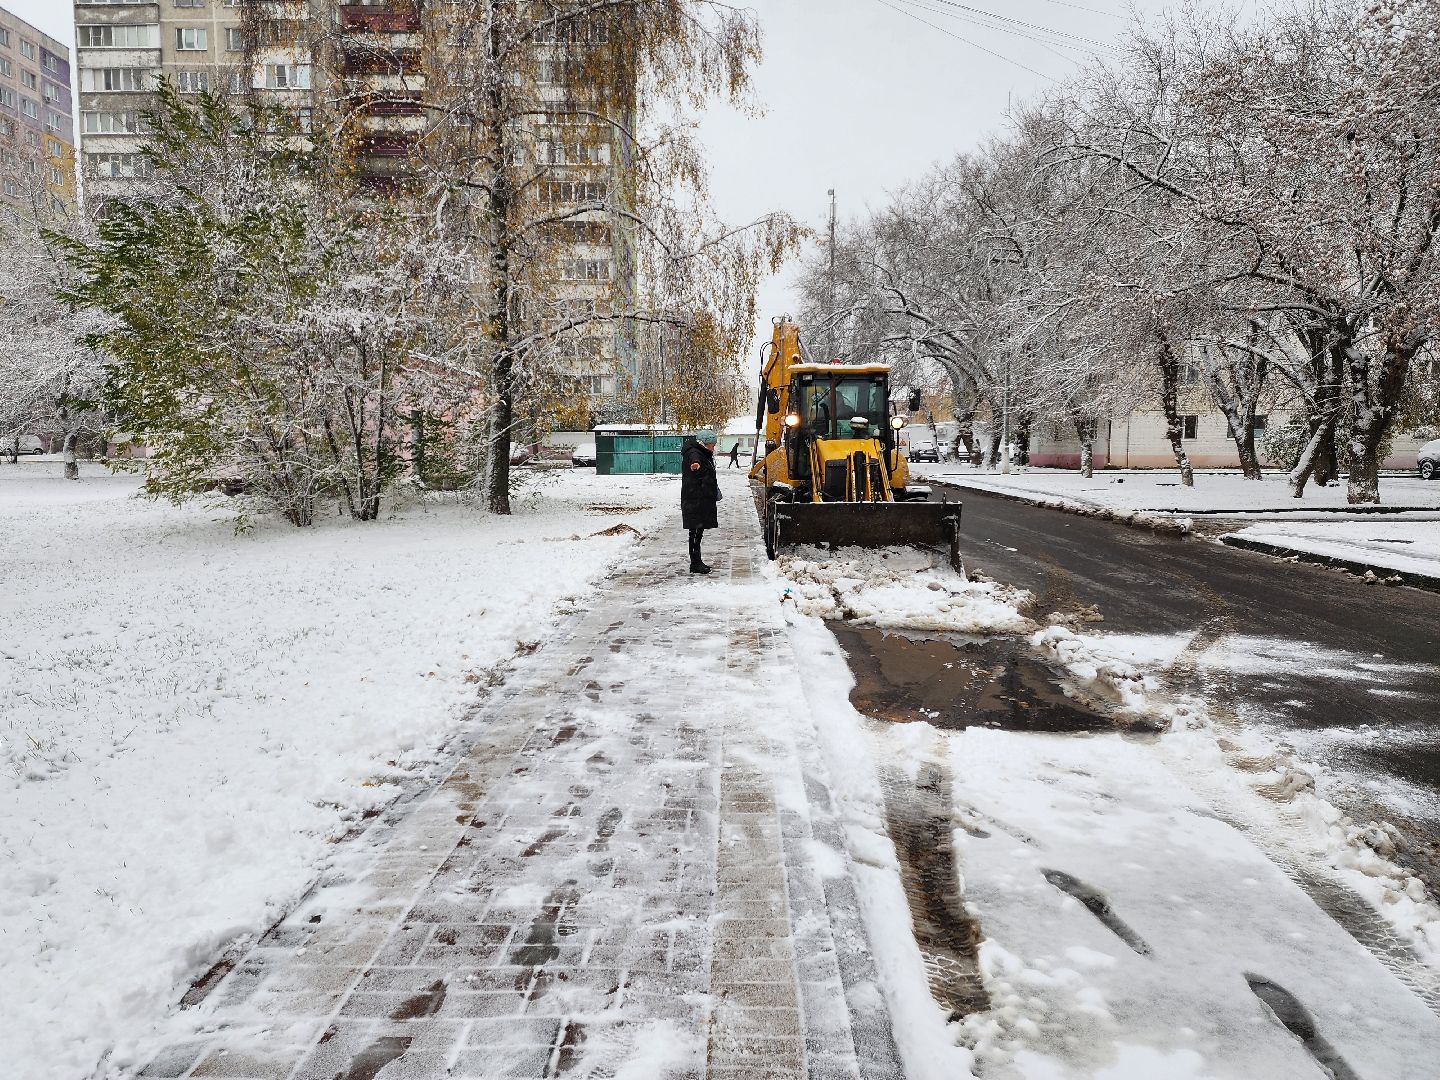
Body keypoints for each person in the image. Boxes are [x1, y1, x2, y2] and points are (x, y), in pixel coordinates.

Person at [681, 429, 721, 574]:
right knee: (695, 532)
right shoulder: (695, 453)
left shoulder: (700, 451)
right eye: (712, 445)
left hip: (698, 498)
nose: (713, 448)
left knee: (697, 532)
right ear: (704, 444)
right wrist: (695, 464)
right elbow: (694, 459)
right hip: (695, 499)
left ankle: (697, 562)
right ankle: (695, 563)